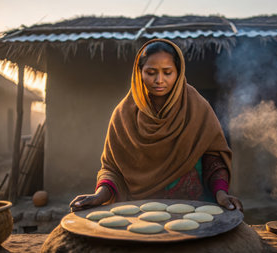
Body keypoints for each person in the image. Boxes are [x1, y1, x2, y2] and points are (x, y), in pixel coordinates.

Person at [69, 39, 242, 212]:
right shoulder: (124, 115)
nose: (159, 80)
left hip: (194, 210)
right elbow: (112, 169)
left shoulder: (197, 107)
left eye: (167, 72)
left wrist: (221, 193)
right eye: (151, 72)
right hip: (140, 212)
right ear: (139, 72)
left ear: (179, 72)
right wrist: (100, 195)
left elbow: (214, 157)